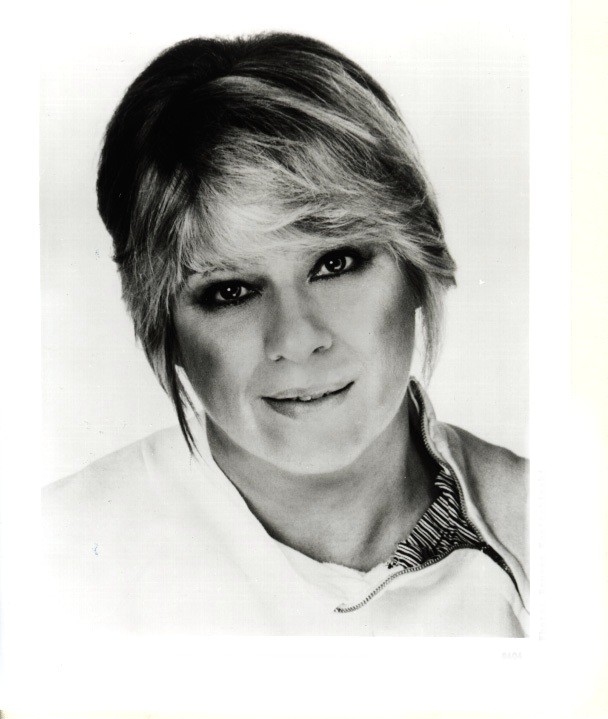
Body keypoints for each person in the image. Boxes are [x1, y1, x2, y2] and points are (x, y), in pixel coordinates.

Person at [43, 32, 529, 636]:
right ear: (163, 325)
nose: (297, 339)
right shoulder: (49, 561)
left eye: (335, 263)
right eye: (231, 291)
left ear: (416, 263)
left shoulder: (567, 532)